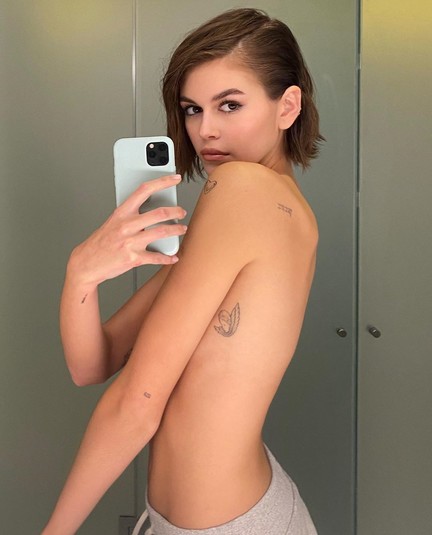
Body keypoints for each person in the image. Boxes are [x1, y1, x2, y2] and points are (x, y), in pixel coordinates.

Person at [42, 8, 322, 535]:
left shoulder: (241, 189)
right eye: (192, 109)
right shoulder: (277, 207)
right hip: (215, 515)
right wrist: (81, 274)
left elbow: (137, 404)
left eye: (229, 105)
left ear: (287, 106)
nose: (204, 130)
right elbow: (93, 364)